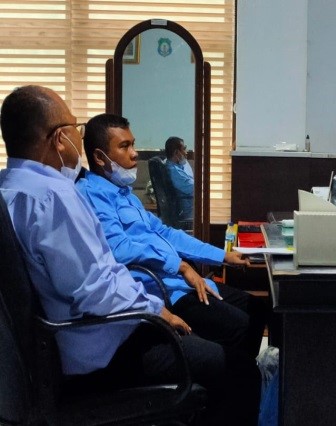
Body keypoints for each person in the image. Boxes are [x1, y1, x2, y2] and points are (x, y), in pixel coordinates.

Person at [0, 85, 260, 424]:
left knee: (221, 343)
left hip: (63, 345)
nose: (78, 137)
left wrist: (213, 259)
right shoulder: (54, 197)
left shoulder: (11, 188)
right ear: (60, 138)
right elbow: (95, 288)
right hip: (102, 349)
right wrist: (156, 310)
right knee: (239, 371)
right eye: (75, 128)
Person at [76, 113, 269, 362]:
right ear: (100, 157)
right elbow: (118, 248)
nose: (134, 153)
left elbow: (167, 233)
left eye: (133, 144)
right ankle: (236, 375)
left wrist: (223, 256)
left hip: (178, 282)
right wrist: (179, 265)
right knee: (239, 326)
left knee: (257, 310)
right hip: (160, 291)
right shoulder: (93, 194)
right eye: (124, 146)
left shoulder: (125, 195)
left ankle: (246, 373)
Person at [164, 136, 194, 221]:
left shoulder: (177, 167)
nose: (186, 152)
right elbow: (194, 188)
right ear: (176, 152)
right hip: (188, 211)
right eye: (184, 149)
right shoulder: (174, 171)